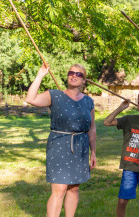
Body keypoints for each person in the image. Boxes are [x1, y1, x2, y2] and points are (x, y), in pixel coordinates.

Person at [26, 63, 96, 217]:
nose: (74, 76)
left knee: (74, 189)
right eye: (71, 72)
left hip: (80, 148)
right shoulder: (55, 95)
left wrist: (93, 153)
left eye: (79, 74)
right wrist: (40, 75)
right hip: (59, 145)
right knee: (59, 189)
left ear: (84, 80)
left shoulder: (88, 101)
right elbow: (30, 99)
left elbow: (92, 129)